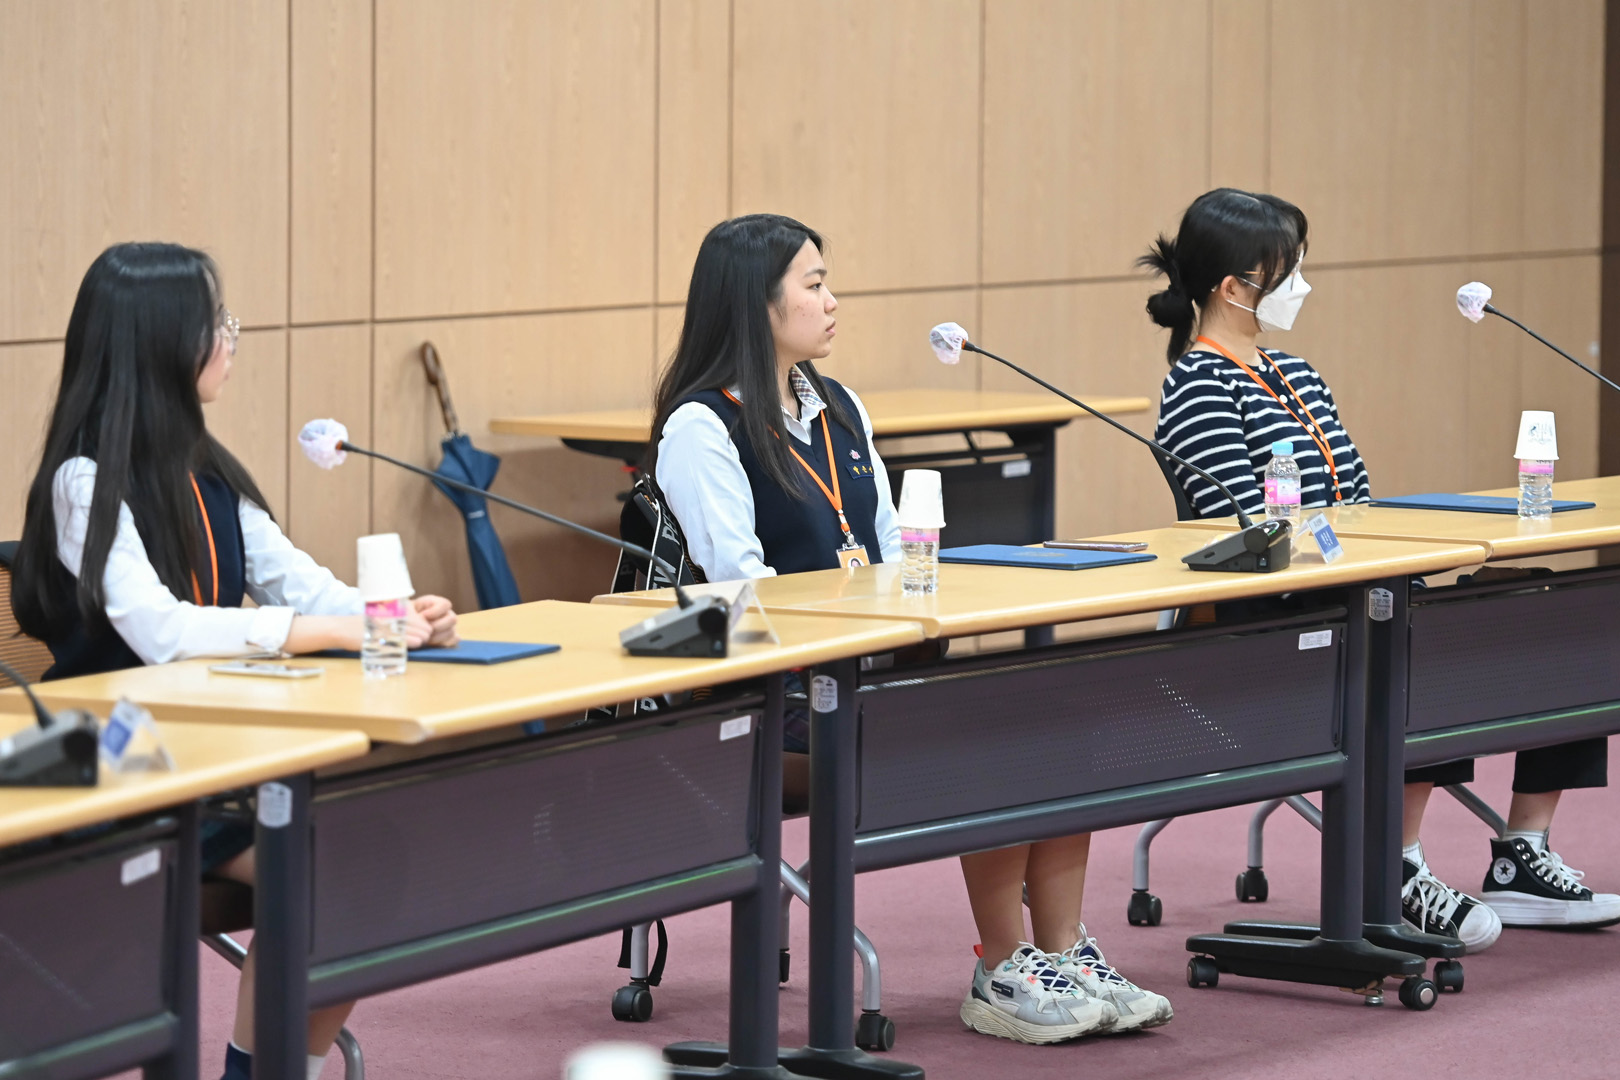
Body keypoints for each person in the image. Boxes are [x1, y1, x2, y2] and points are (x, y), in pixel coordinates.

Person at [649, 213, 1170, 1045]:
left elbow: (898, 554)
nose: (832, 301)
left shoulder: (840, 407)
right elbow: (744, 593)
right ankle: (1001, 968)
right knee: (990, 735)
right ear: (756, 302)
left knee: (1057, 717)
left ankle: (1063, 954)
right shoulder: (702, 427)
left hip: (876, 675)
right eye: (814, 285)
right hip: (777, 696)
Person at [10, 242, 460, 1080]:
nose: (229, 340)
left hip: (214, 756)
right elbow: (164, 633)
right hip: (121, 766)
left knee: (370, 862)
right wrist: (325, 633)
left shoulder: (210, 473)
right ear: (161, 342)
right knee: (330, 866)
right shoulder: (83, 480)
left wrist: (395, 616)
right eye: (214, 323)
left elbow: (303, 584)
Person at [1141, 188, 1620, 947]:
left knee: (1548, 607)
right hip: (1279, 624)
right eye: (1290, 271)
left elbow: (1355, 497)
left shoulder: (1296, 372)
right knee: (1418, 641)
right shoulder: (1199, 385)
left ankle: (1522, 852)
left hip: (1356, 586)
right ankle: (1394, 866)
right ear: (1234, 287)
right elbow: (1245, 527)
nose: (1303, 285)